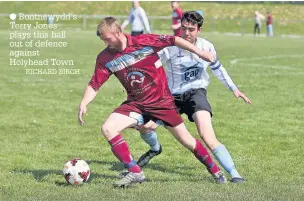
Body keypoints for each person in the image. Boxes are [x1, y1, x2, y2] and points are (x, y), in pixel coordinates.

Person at [79, 16, 226, 187]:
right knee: (108, 128)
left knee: (187, 141)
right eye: (103, 40)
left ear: (118, 32)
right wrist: (84, 102)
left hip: (161, 103)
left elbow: (174, 39)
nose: (106, 44)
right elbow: (95, 83)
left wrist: (199, 52)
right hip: (136, 103)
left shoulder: (144, 41)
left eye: (108, 39)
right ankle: (135, 171)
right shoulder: (105, 58)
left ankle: (216, 171)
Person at [131, 11, 252, 183]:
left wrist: (234, 88)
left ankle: (235, 174)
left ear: (199, 30)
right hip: (171, 97)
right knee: (145, 127)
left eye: (191, 29)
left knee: (207, 135)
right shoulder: (171, 47)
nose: (186, 33)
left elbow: (217, 68)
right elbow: (152, 65)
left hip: (196, 94)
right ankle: (155, 148)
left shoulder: (207, 47)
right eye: (184, 28)